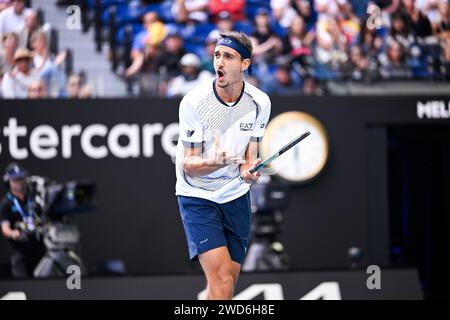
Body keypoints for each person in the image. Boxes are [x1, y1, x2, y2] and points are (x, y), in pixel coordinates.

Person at [175, 31, 271, 300]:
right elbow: (189, 166)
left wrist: (249, 172)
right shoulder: (193, 102)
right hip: (197, 196)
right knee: (222, 279)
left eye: (228, 56)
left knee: (226, 284)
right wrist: (215, 162)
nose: (220, 62)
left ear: (245, 64)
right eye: (217, 55)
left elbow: (250, 158)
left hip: (235, 197)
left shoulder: (260, 102)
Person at [0, 163, 46, 278]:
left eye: (21, 179)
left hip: (38, 248)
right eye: (15, 180)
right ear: (9, 182)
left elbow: (43, 220)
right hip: (20, 251)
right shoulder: (6, 203)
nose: (19, 182)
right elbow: (5, 229)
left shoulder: (34, 199)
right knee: (22, 284)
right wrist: (14, 233)